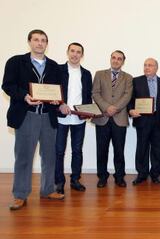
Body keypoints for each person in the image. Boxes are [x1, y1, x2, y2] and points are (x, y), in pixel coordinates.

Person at [2, 29, 64, 210]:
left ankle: (48, 189)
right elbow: (7, 85)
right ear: (29, 42)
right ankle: (20, 194)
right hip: (26, 116)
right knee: (23, 157)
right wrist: (24, 96)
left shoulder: (54, 66)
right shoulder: (15, 62)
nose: (40, 43)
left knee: (49, 156)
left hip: (48, 116)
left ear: (47, 44)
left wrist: (57, 99)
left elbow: (58, 89)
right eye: (36, 40)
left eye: (43, 40)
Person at [55, 42, 92, 194]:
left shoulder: (87, 73)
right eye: (72, 51)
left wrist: (88, 111)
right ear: (67, 52)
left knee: (77, 151)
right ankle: (59, 182)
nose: (75, 54)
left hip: (79, 119)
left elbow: (88, 95)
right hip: (60, 118)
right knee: (59, 151)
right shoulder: (58, 70)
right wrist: (61, 104)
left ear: (82, 55)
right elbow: (53, 91)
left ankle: (75, 180)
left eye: (78, 52)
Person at [92, 50, 133, 188]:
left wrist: (115, 108)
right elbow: (95, 93)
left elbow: (127, 95)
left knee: (119, 150)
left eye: (119, 59)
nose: (116, 60)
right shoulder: (99, 74)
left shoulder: (128, 77)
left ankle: (119, 176)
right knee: (102, 149)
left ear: (123, 61)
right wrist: (106, 107)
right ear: (110, 59)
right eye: (114, 58)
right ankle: (102, 176)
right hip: (102, 118)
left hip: (119, 118)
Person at [129, 58, 160, 185]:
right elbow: (130, 99)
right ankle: (142, 174)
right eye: (145, 65)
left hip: (158, 121)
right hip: (142, 119)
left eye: (150, 65)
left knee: (157, 149)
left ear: (156, 68)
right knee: (142, 147)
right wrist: (131, 110)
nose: (147, 67)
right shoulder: (136, 81)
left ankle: (155, 174)